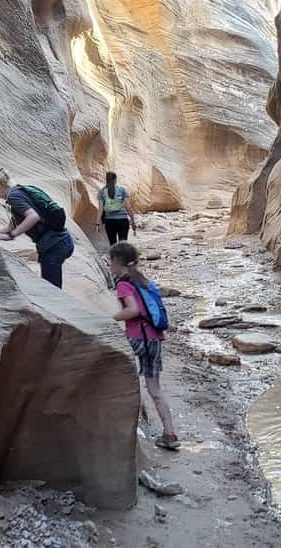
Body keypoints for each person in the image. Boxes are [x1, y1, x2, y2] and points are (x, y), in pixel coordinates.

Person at [109, 241, 179, 450]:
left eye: (110, 261)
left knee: (111, 372)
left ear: (117, 262)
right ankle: (170, 434)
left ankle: (119, 427)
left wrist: (110, 318)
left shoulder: (123, 283)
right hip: (155, 338)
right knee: (155, 389)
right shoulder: (143, 280)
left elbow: (133, 310)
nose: (109, 265)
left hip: (139, 339)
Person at [0, 167, 74, 289]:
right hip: (63, 241)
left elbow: (33, 217)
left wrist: (13, 235)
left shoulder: (14, 197)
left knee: (52, 293)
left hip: (53, 246)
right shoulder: (21, 190)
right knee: (52, 290)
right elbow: (11, 226)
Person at [97, 171, 136, 244]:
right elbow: (128, 207)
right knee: (123, 244)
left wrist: (98, 223)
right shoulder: (122, 190)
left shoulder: (102, 191)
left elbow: (100, 209)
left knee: (113, 244)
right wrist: (133, 221)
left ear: (107, 179)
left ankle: (115, 255)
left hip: (109, 221)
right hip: (122, 220)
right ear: (115, 179)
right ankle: (123, 255)